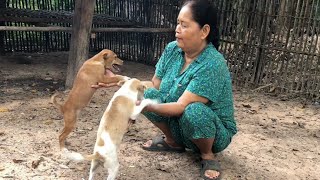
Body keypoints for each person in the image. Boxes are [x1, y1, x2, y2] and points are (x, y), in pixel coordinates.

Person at [139, 0, 237, 179]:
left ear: (204, 31)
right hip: (178, 124)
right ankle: (173, 141)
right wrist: (125, 85)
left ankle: (207, 154)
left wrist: (145, 106)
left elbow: (181, 107)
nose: (177, 29)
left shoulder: (212, 64)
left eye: (184, 25)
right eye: (178, 23)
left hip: (213, 133)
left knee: (195, 112)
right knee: (148, 93)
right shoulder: (172, 50)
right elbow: (155, 85)